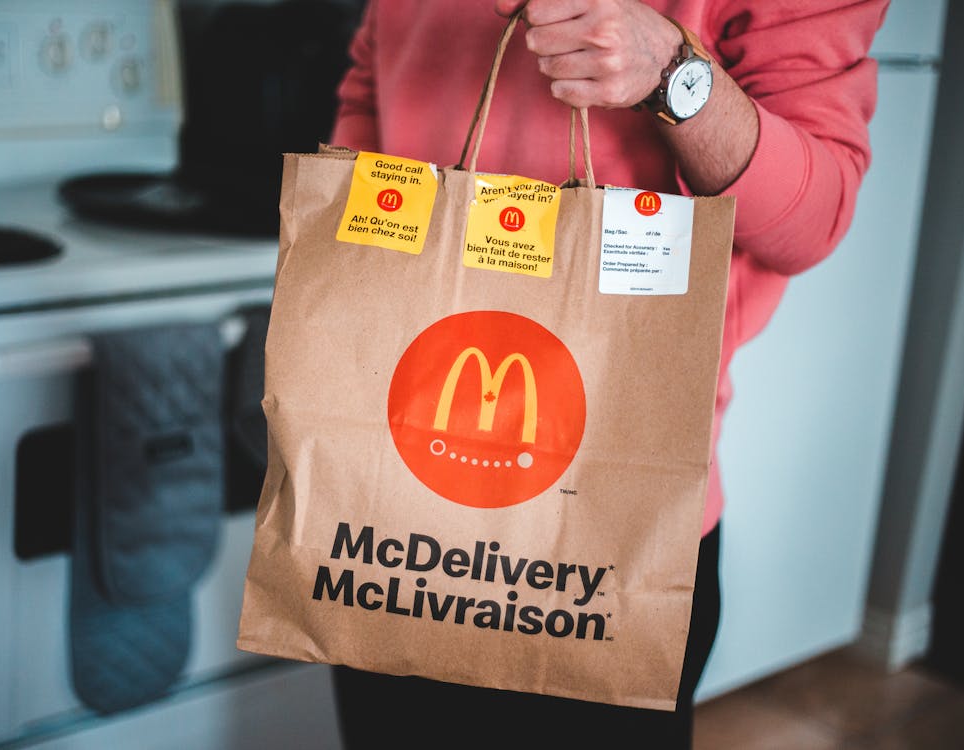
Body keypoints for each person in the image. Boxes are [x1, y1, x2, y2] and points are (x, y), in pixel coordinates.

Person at [326, 0, 887, 747]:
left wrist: (672, 72)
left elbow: (811, 220)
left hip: (605, 514)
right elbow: (371, 83)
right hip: (391, 493)